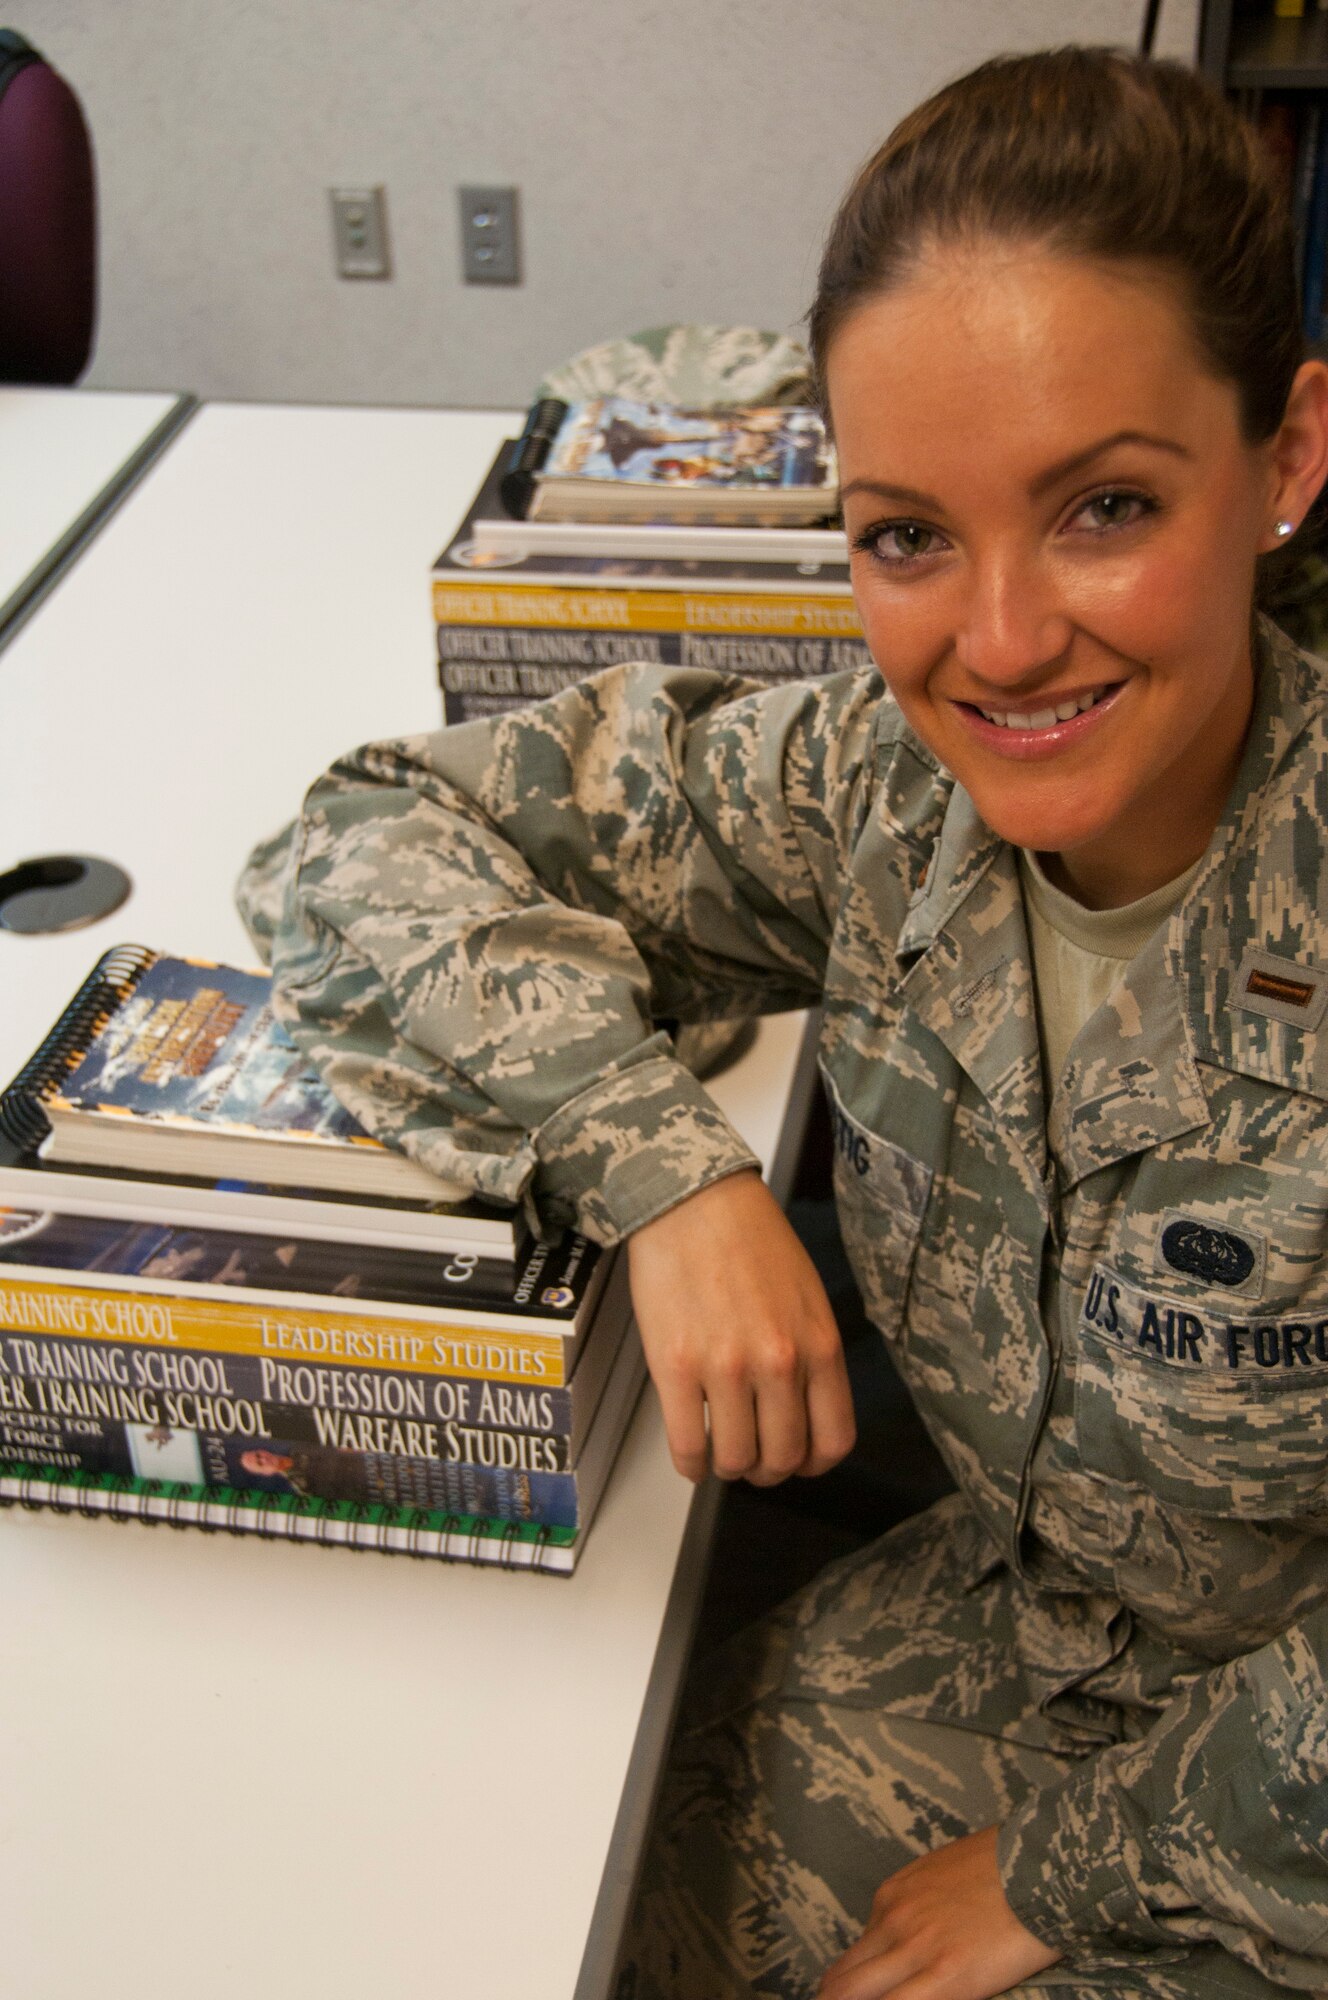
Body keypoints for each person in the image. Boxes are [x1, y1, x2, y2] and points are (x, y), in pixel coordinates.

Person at [235, 47, 1328, 2000]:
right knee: (498, 1919)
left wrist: (1078, 1869)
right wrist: (667, 1174)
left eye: (1101, 506)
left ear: (1289, 456)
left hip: (1267, 1810)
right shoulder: (886, 796)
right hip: (1002, 1633)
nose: (994, 641)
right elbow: (365, 841)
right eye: (907, 533)